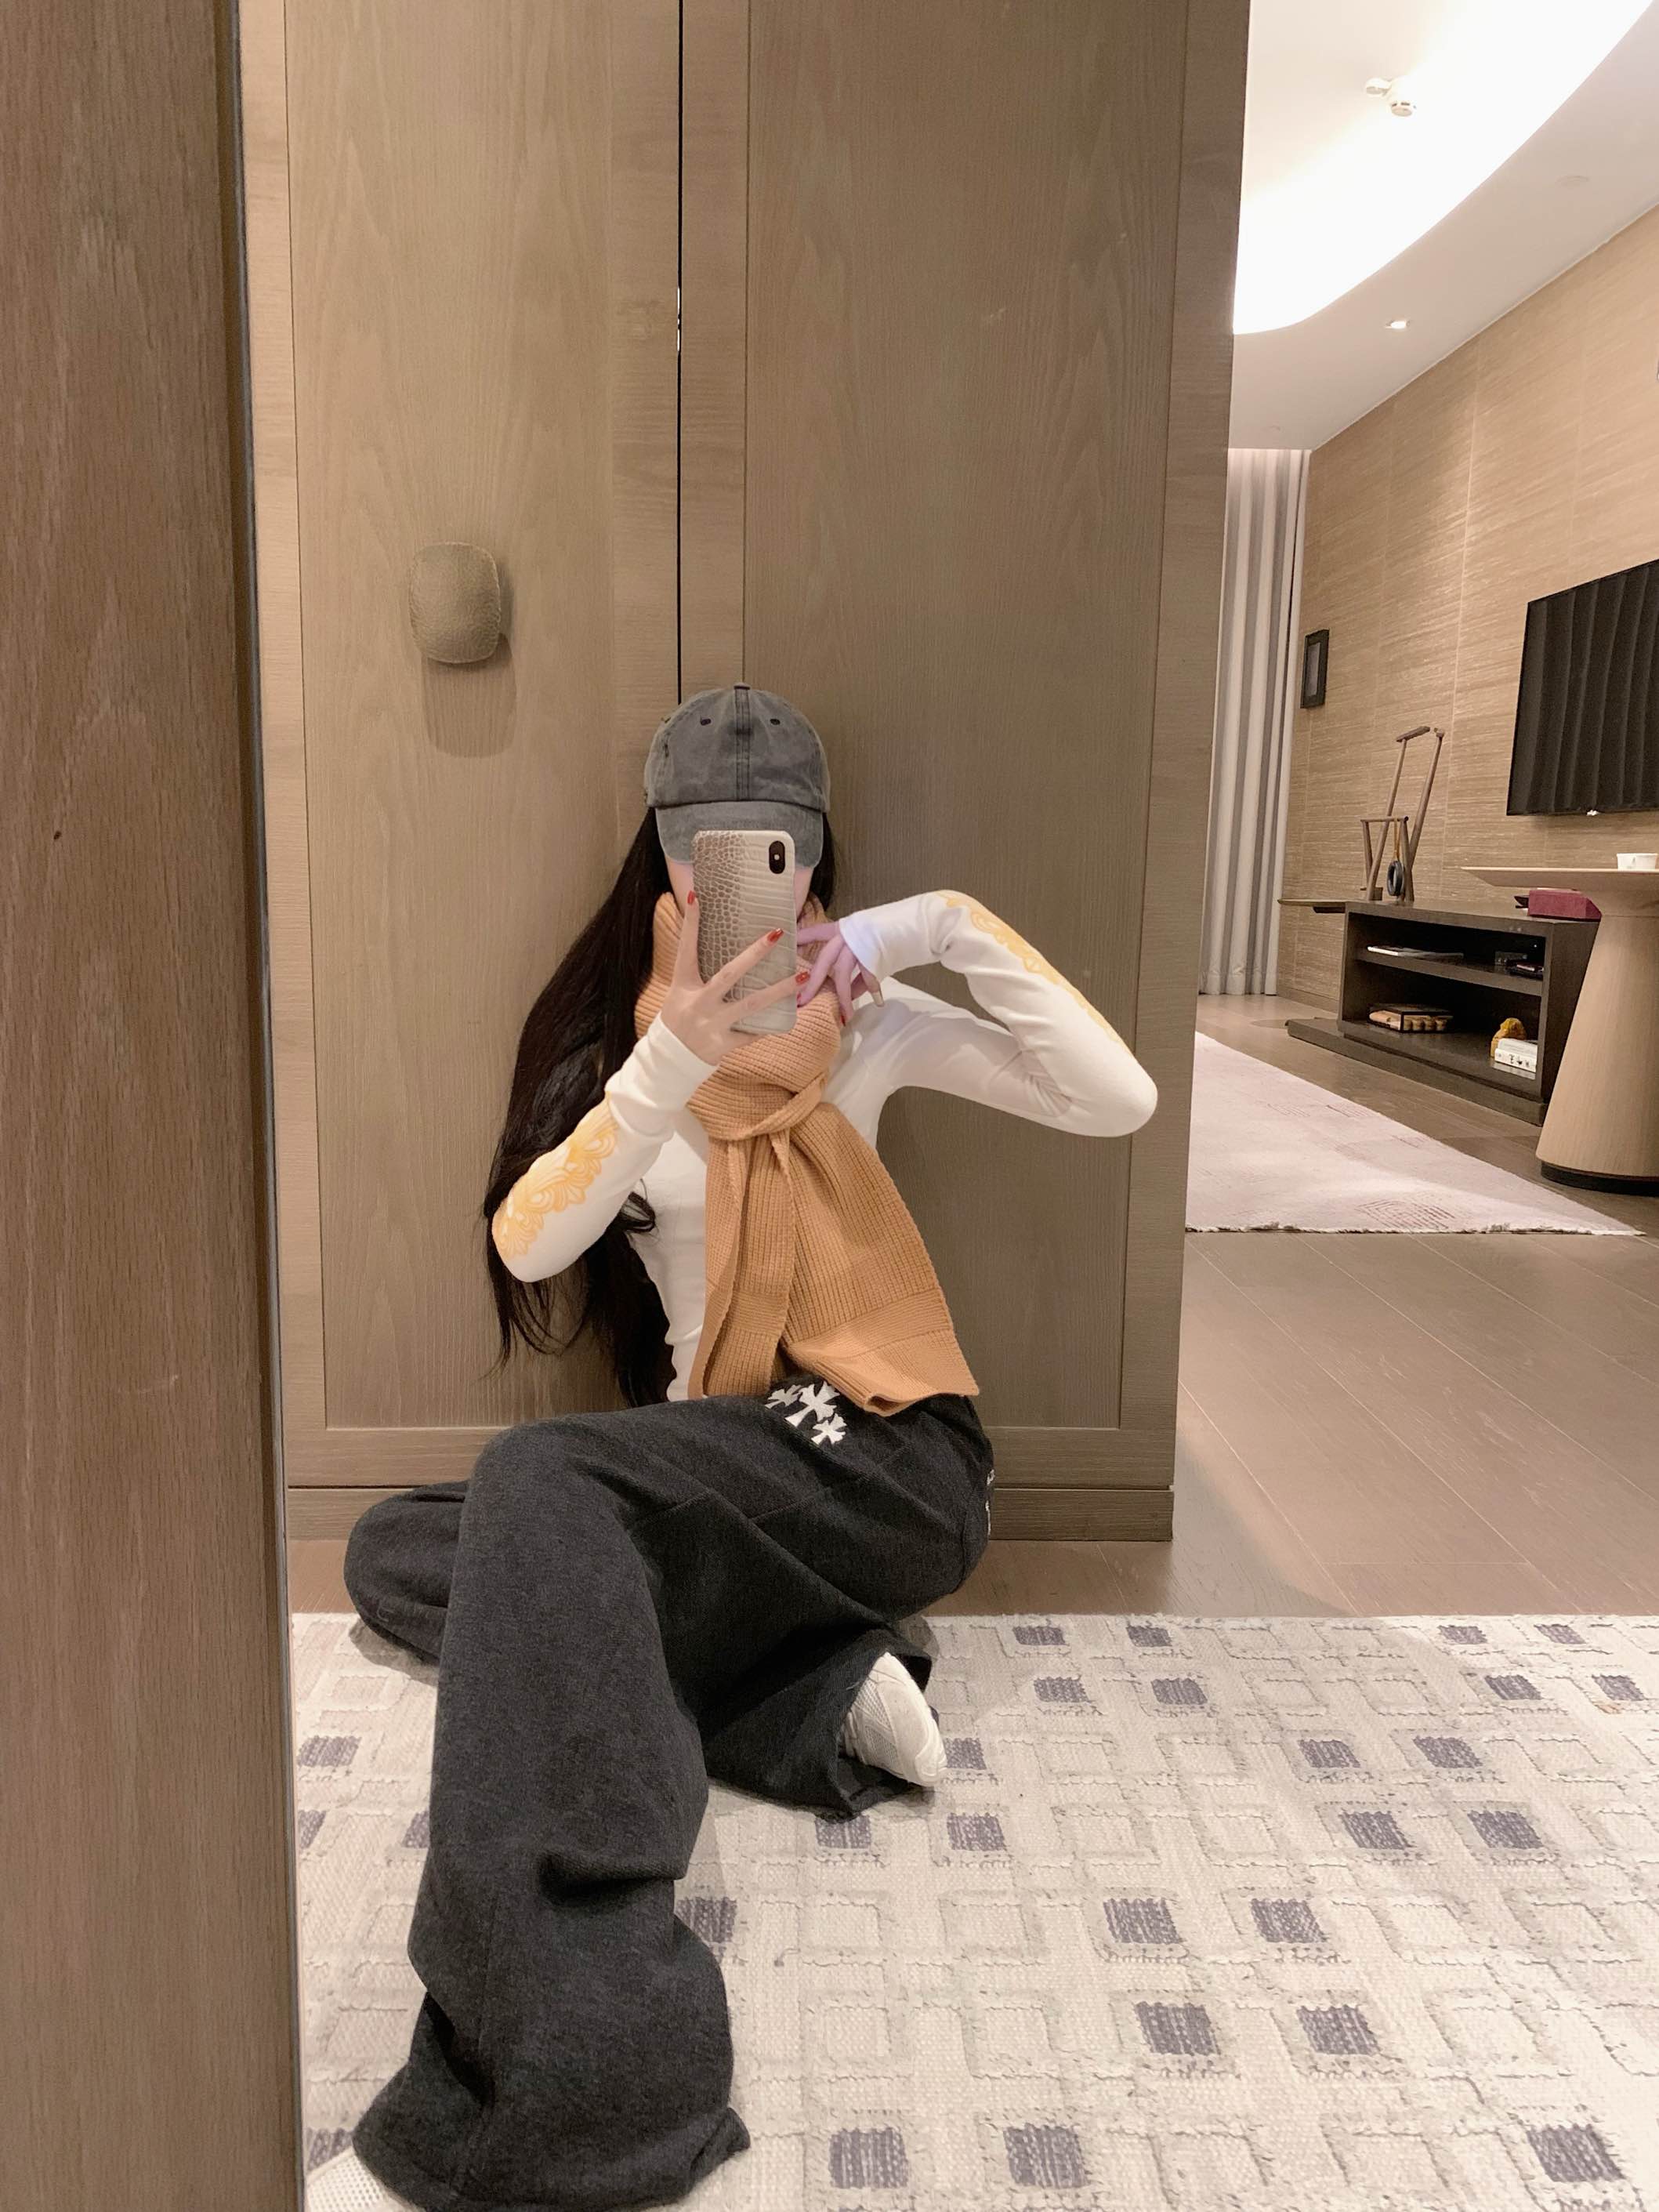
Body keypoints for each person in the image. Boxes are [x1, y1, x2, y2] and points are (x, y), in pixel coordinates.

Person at [308, 685, 1157, 2212]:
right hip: (726, 1469)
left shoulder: (864, 1025)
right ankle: (806, 1695)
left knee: (538, 1495)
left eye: (781, 852)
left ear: (815, 862)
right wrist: (665, 1066)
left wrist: (928, 929)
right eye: (710, 853)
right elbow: (529, 1237)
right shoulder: (628, 1060)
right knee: (419, 1546)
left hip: (889, 1448)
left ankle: (578, 2077)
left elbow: (1117, 1099)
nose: (748, 885)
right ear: (662, 864)